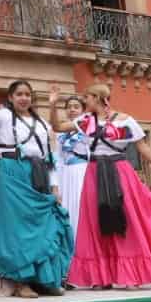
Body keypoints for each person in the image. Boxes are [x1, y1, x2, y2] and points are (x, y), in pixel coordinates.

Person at [64, 83, 151, 289]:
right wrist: (52, 105)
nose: (83, 101)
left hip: (120, 171)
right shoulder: (86, 120)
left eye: (86, 97)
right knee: (96, 221)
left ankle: (130, 275)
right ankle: (102, 277)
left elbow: (143, 148)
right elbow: (57, 127)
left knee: (128, 219)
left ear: (97, 98)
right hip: (94, 173)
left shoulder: (126, 121)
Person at [0, 62, 72, 296]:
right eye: (19, 94)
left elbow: (49, 157)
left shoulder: (42, 124)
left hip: (37, 174)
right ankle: (21, 282)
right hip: (11, 172)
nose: (24, 98)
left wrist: (55, 185)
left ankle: (45, 279)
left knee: (43, 225)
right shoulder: (3, 117)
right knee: (15, 228)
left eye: (27, 94)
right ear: (10, 97)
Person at [50, 94, 90, 250]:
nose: (72, 110)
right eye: (69, 107)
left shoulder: (88, 128)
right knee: (66, 209)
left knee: (80, 208)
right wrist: (55, 184)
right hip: (65, 175)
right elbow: (58, 158)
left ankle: (84, 248)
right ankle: (69, 250)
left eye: (76, 107)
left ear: (83, 110)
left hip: (82, 172)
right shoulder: (61, 134)